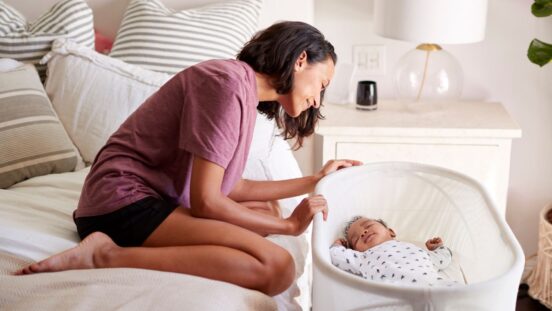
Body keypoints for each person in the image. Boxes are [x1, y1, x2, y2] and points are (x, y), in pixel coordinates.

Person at [14, 21, 362, 296]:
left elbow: (230, 186)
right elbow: (207, 201)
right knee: (278, 267)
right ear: (301, 59)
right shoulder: (226, 85)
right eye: (322, 83)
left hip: (146, 200)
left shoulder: (241, 91)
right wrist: (289, 226)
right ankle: (104, 255)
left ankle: (111, 250)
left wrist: (314, 179)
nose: (318, 99)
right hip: (120, 204)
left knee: (265, 210)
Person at [330, 216, 457, 287]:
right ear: (355, 250)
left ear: (391, 232)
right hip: (396, 295)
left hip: (433, 285)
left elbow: (443, 258)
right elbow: (336, 256)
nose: (363, 233)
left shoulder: (416, 249)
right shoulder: (363, 257)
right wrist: (338, 245)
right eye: (355, 238)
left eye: (368, 226)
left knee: (459, 293)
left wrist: (438, 247)